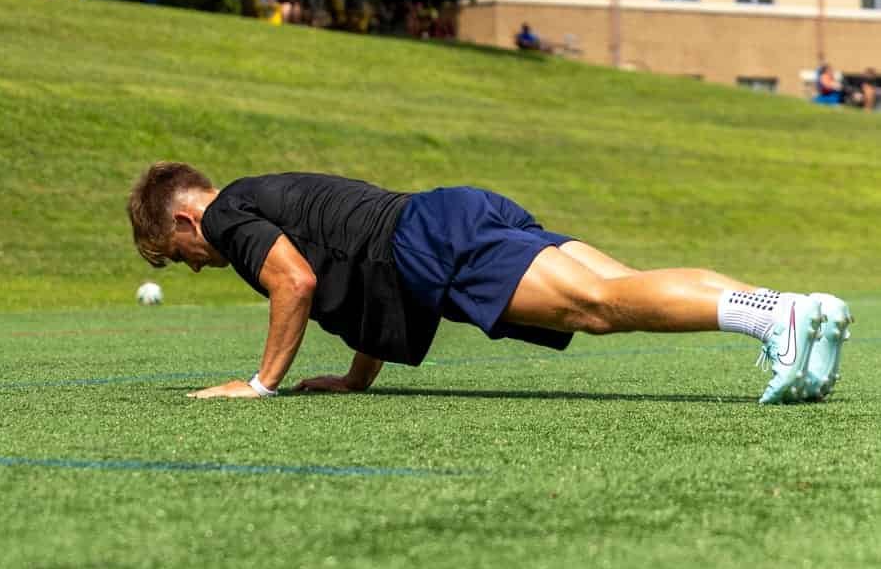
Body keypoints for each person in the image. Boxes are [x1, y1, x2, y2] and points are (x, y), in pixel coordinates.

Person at [126, 164, 851, 407]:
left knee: (600, 308)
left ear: (185, 218)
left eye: (174, 252)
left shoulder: (225, 216)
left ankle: (774, 316)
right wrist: (356, 377)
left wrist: (260, 385)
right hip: (451, 214)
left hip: (431, 239)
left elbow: (296, 281)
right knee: (622, 284)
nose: (191, 264)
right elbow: (360, 272)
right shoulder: (262, 194)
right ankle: (798, 315)